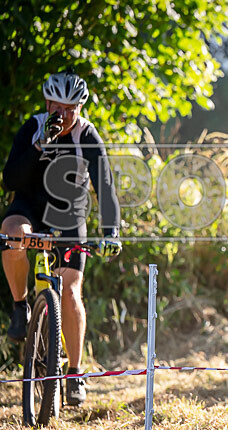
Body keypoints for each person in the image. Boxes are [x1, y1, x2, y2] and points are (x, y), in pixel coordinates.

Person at [1, 69, 121, 406]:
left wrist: (111, 231)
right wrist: (40, 145)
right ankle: (20, 305)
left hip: (69, 215)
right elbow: (10, 180)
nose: (64, 116)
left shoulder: (87, 135)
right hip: (28, 207)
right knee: (12, 235)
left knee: (70, 291)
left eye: (72, 109)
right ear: (48, 103)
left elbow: (105, 185)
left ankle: (75, 372)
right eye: (59, 107)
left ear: (80, 108)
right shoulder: (33, 127)